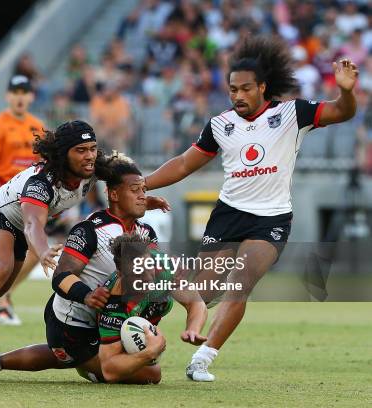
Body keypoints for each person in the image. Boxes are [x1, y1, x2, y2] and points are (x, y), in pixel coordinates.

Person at [144, 36, 358, 381]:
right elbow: (184, 164)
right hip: (228, 215)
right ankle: (144, 316)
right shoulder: (219, 125)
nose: (238, 96)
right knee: (202, 291)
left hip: (271, 218)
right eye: (232, 90)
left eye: (245, 89)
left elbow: (342, 111)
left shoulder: (293, 113)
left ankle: (202, 359)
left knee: (241, 283)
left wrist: (346, 92)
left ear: (262, 87)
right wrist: (141, 185)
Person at [0, 120, 169, 369]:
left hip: (16, 229)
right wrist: (42, 252)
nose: (89, 156)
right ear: (64, 154)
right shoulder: (43, 182)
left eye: (92, 148)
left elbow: (126, 184)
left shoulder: (93, 168)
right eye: (80, 150)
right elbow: (32, 225)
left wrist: (143, 198)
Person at [0, 155, 205, 384]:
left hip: (110, 315)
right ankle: (87, 364)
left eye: (144, 190)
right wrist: (87, 295)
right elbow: (61, 277)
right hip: (73, 321)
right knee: (148, 373)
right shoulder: (89, 230)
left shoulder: (146, 232)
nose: (142, 196)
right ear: (114, 194)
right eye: (135, 190)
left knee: (63, 357)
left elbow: (153, 278)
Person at [0, 75, 44, 325]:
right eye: (15, 91)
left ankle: (1, 296)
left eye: (24, 92)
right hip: (2, 198)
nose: (19, 96)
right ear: (7, 96)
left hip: (29, 199)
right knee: (3, 256)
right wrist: (0, 197)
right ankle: (2, 302)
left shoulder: (38, 126)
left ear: (31, 96)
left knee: (35, 251)